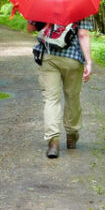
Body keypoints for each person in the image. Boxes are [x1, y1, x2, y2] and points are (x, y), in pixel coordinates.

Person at [27, 17, 94, 158]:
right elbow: (83, 34)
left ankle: (53, 142)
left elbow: (30, 29)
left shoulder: (43, 0)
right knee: (72, 96)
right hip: (73, 58)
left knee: (51, 99)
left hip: (49, 56)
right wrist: (88, 62)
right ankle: (71, 135)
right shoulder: (83, 4)